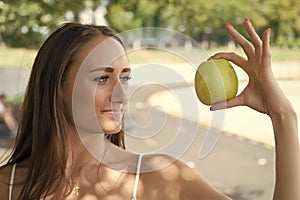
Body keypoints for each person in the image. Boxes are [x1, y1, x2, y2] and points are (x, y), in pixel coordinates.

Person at [0, 18, 299, 200]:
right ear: (57, 85)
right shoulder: (7, 184)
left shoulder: (158, 176)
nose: (120, 94)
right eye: (102, 78)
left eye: (125, 77)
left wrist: (283, 116)